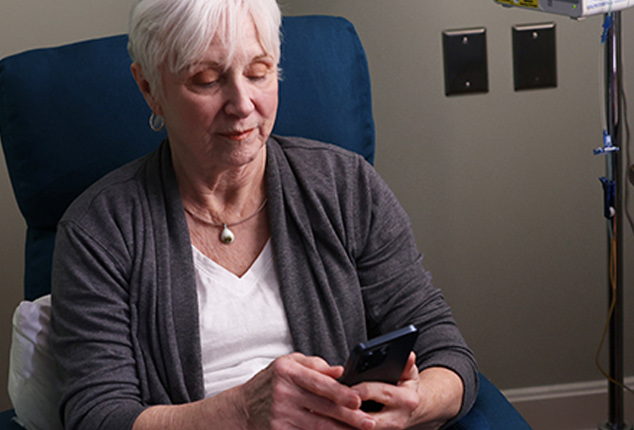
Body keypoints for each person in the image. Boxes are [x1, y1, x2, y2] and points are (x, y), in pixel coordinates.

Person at [51, 1, 474, 429]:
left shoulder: (346, 187)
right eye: (206, 80)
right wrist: (241, 412)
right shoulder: (100, 229)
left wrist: (413, 404)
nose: (242, 104)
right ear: (149, 88)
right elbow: (97, 415)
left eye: (258, 73)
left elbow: (446, 351)